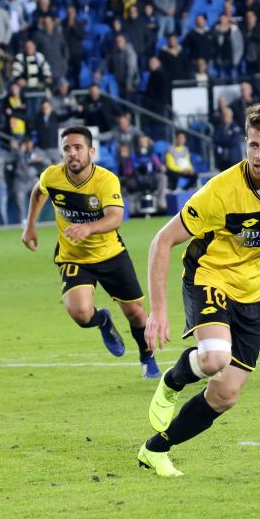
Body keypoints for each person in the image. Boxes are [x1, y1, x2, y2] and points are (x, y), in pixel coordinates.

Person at [136, 102, 260, 477]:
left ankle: (155, 449)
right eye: (253, 144)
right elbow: (161, 241)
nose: (259, 155)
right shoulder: (221, 191)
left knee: (226, 394)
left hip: (255, 295)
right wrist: (158, 310)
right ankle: (172, 381)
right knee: (215, 358)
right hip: (210, 276)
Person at [21, 126, 161, 379]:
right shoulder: (52, 176)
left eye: (78, 147)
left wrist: (88, 228)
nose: (72, 153)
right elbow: (39, 190)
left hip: (110, 254)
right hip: (73, 256)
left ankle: (147, 356)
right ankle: (103, 321)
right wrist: (30, 225)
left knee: (135, 313)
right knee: (81, 313)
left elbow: (115, 218)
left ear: (91, 151)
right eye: (67, 148)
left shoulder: (105, 180)